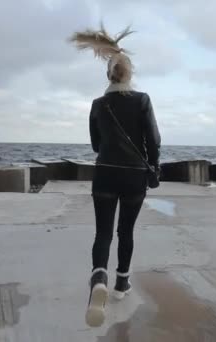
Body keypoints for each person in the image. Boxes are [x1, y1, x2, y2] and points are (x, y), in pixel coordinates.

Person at [69, 25, 162, 327]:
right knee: (126, 232)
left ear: (107, 75)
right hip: (135, 177)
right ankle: (122, 284)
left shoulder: (98, 105)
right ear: (129, 74)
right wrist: (154, 167)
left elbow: (96, 144)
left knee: (103, 233)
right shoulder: (143, 100)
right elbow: (154, 140)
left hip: (105, 175)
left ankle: (99, 278)